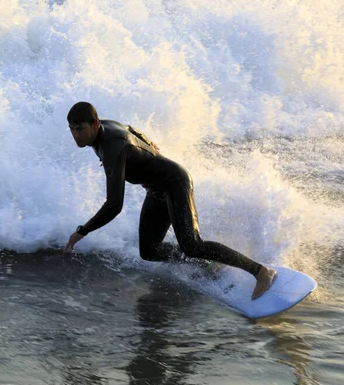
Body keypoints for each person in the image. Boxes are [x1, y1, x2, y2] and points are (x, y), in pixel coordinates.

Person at [64, 101, 276, 299]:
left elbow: (114, 205)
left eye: (81, 129)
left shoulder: (113, 149)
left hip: (175, 183)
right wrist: (149, 144)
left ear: (95, 124)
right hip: (157, 189)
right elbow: (129, 128)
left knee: (192, 244)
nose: (76, 135)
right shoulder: (105, 128)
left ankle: (260, 272)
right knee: (149, 250)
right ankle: (205, 264)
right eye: (72, 129)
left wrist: (83, 230)